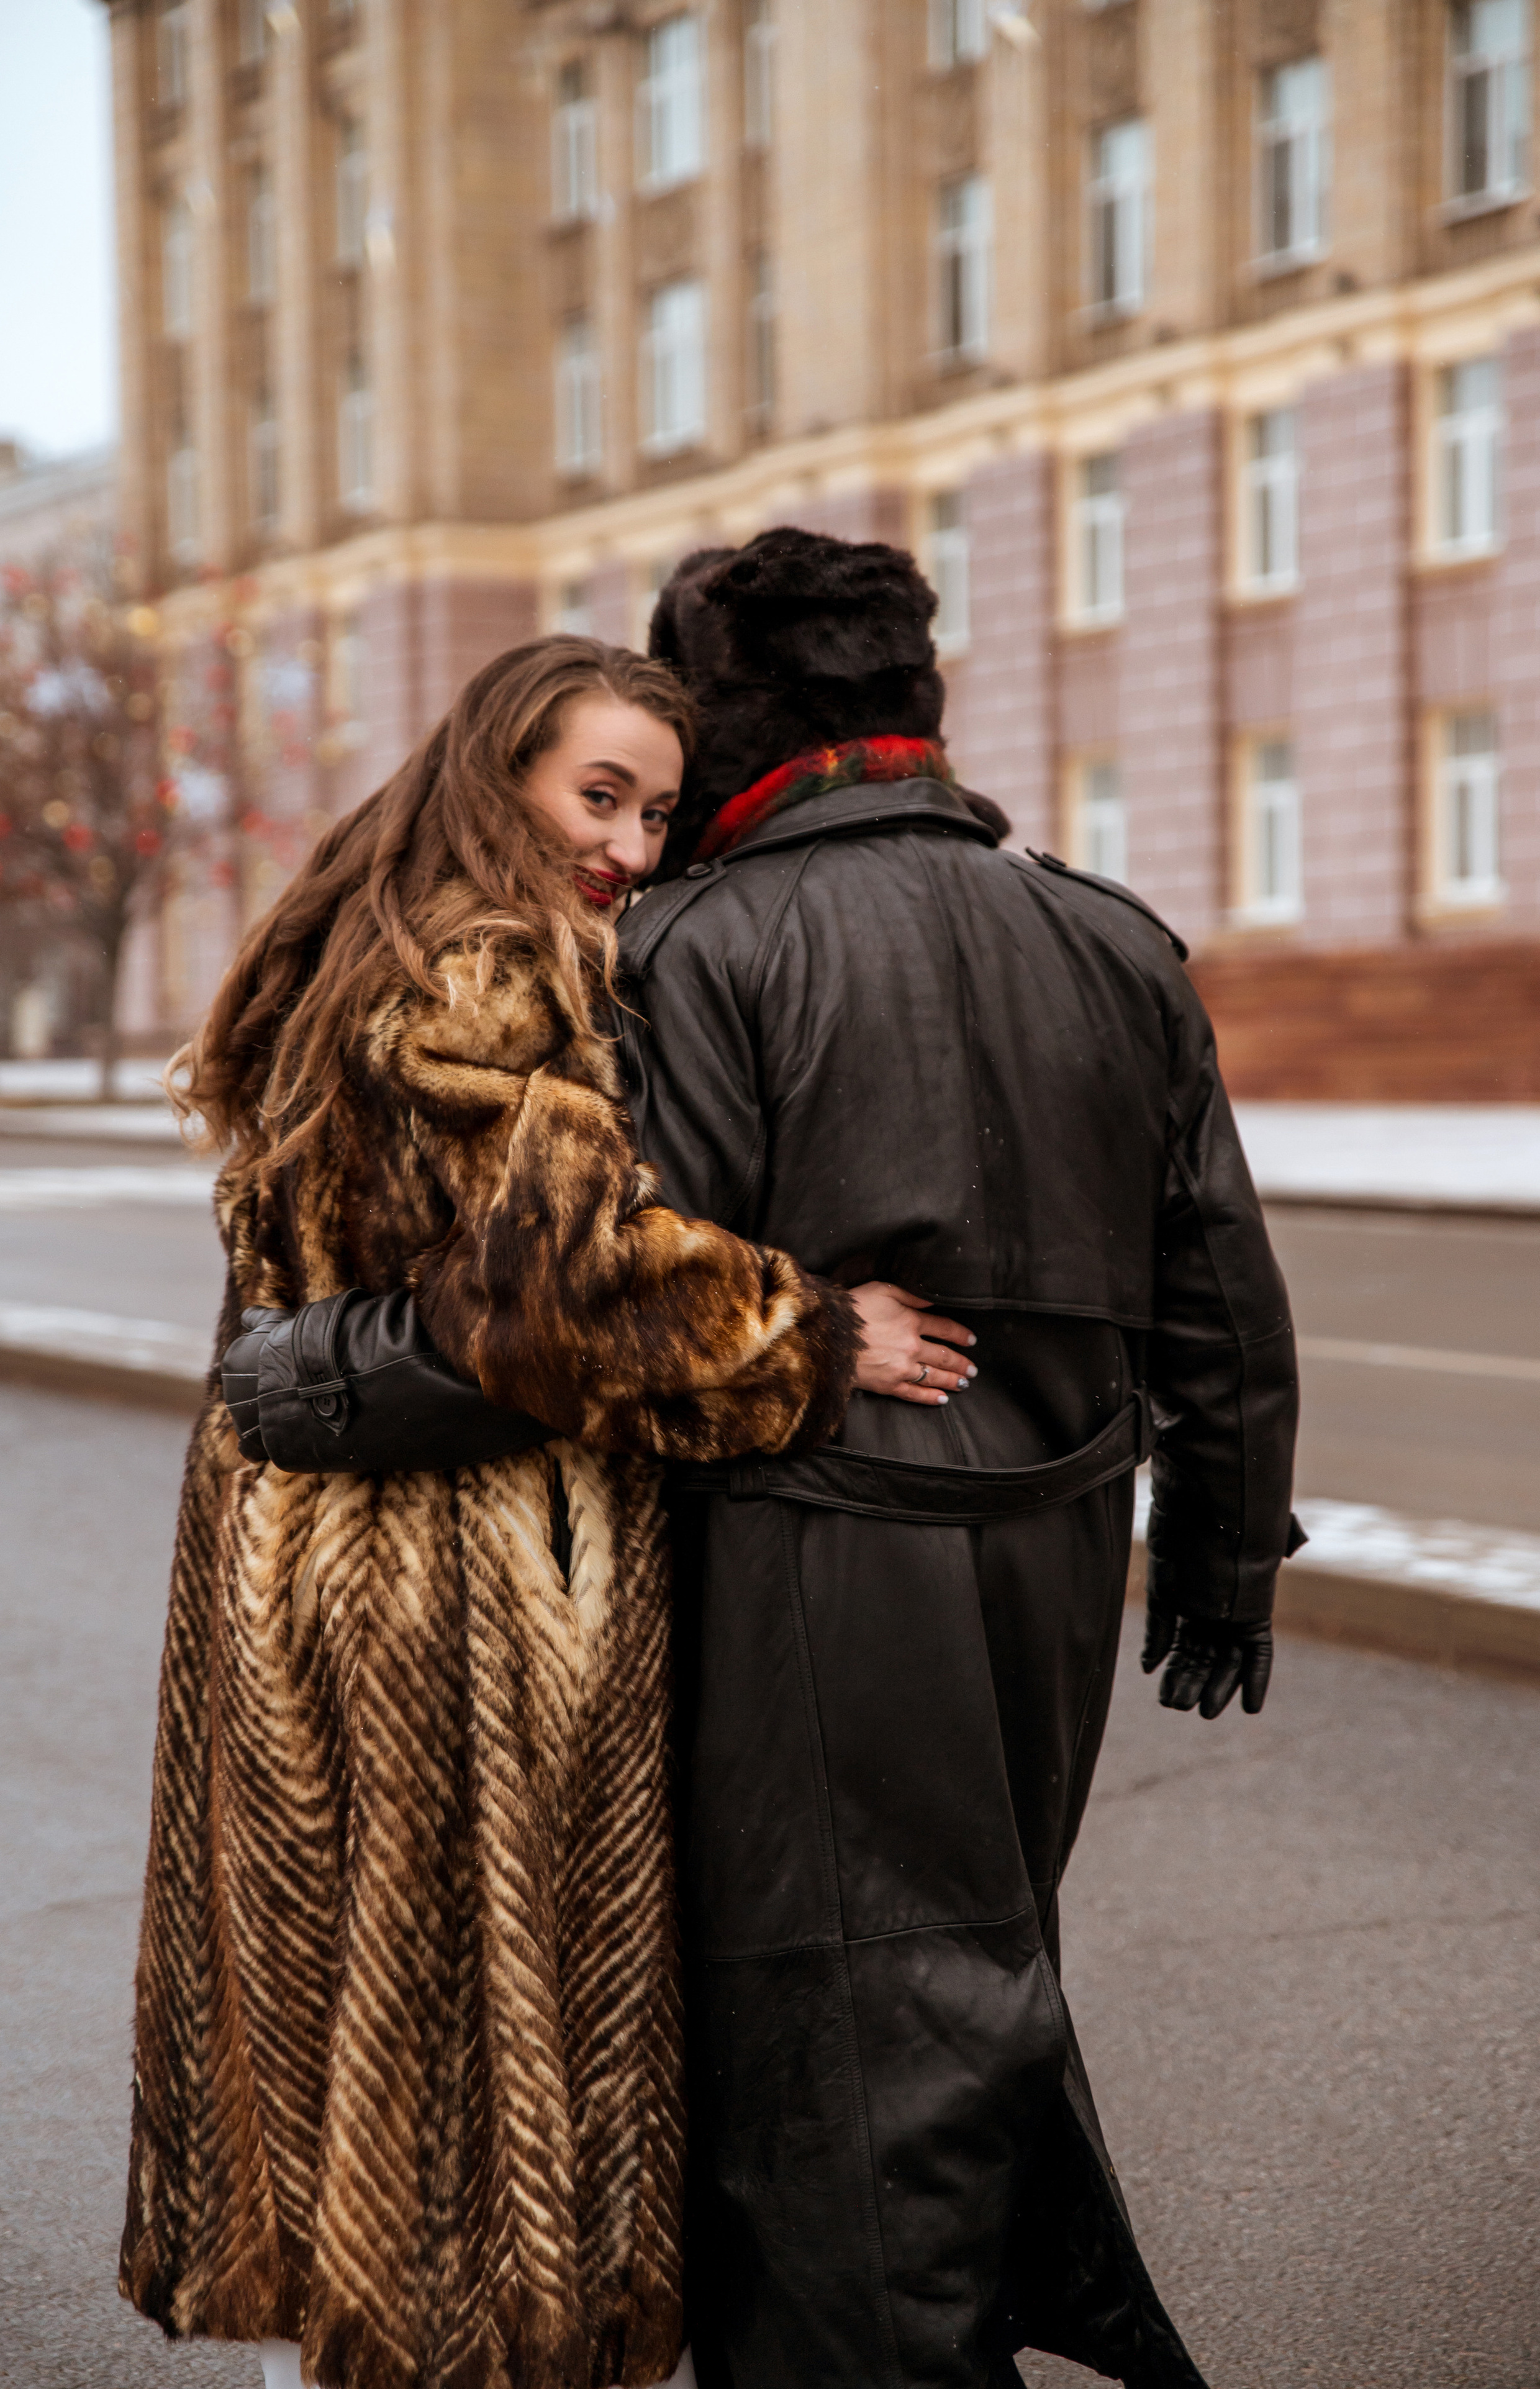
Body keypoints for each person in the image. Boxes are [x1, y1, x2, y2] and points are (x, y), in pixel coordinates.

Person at [233, 530, 1303, 2389]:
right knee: (970, 1966)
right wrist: (1221, 1558)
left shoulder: (699, 951)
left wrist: (311, 1375)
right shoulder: (1113, 935)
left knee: (832, 2033)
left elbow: (573, 1318)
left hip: (806, 1563)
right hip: (1054, 1565)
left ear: (737, 726)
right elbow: (1217, 1275)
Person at [119, 637, 977, 2389]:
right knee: (461, 2049)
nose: (634, 847)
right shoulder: (490, 966)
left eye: (657, 812)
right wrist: (814, 1331)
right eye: (601, 797)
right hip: (449, 1578)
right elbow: (563, 1282)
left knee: (356, 2006)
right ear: (498, 771)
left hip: (312, 1549)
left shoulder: (364, 934)